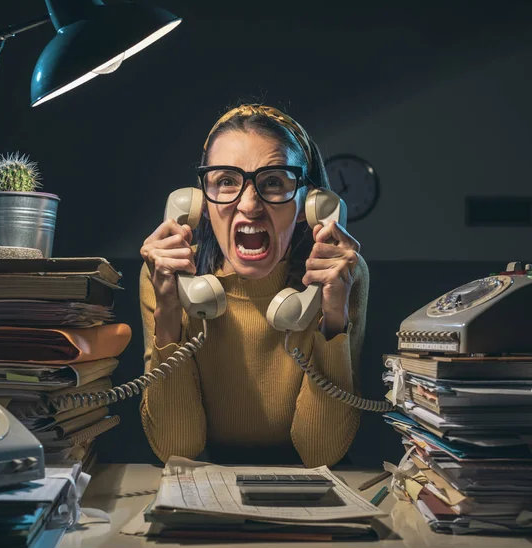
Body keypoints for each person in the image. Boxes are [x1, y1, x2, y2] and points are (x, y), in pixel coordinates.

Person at [139, 103, 369, 468]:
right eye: (226, 180)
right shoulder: (170, 273)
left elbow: (321, 451)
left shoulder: (340, 274)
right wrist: (169, 311)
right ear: (197, 200)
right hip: (207, 483)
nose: (249, 205)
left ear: (310, 203)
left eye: (274, 181)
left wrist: (333, 318)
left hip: (310, 488)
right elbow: (175, 447)